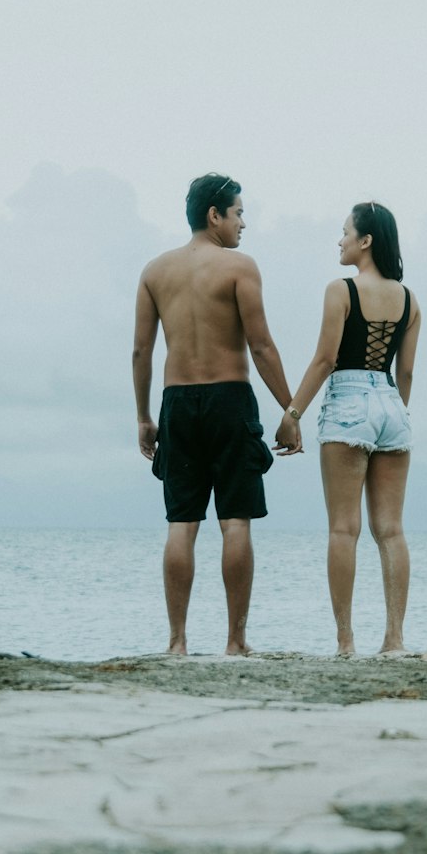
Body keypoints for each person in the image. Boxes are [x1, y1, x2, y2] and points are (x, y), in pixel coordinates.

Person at [133, 173, 301, 655]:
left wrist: (145, 415)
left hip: (178, 402)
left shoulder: (154, 271)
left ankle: (177, 643)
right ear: (215, 215)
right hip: (229, 399)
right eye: (239, 213)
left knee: (181, 524)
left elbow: (141, 351)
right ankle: (235, 642)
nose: (243, 224)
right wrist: (289, 408)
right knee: (235, 522)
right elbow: (262, 343)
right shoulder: (239, 266)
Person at [275, 202, 420, 655]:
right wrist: (390, 414)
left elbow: (325, 359)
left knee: (343, 529)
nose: (339, 241)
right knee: (391, 530)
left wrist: (292, 414)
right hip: (393, 404)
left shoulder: (341, 291)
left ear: (366, 240)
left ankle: (345, 643)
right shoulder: (410, 300)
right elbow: (408, 373)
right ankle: (394, 640)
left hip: (349, 399)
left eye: (344, 233)